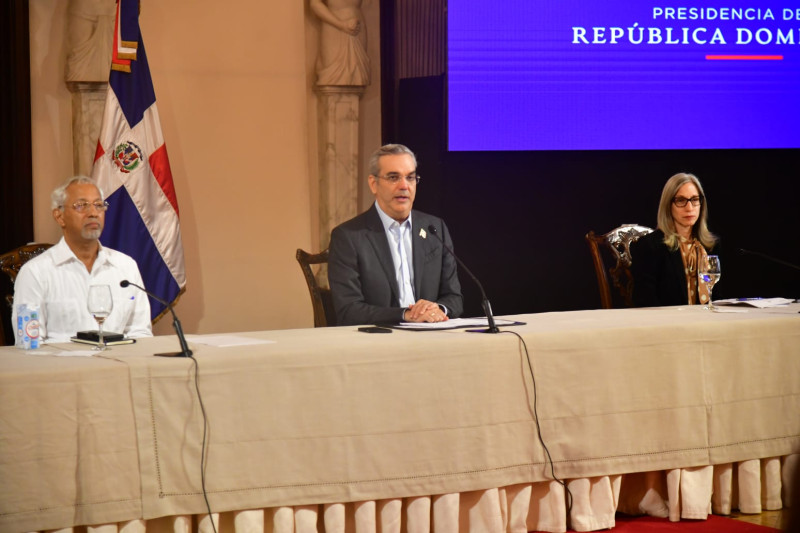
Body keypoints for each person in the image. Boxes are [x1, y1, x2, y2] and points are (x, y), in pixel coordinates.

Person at [328, 144, 463, 326]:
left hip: (431, 336)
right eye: (393, 177)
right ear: (373, 184)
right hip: (377, 341)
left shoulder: (434, 229)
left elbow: (454, 297)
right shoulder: (348, 237)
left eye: (410, 177)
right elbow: (349, 310)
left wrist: (438, 309)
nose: (404, 186)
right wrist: (406, 315)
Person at [11, 176, 152, 342]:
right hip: (62, 367)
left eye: (98, 205)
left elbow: (140, 335)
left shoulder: (126, 267)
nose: (93, 213)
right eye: (81, 206)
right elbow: (28, 343)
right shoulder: (35, 272)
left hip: (118, 365)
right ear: (59, 216)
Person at [631, 172, 720, 307]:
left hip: (708, 324)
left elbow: (721, 299)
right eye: (681, 200)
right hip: (668, 325)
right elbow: (645, 302)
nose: (689, 208)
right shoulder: (649, 247)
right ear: (668, 205)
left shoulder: (710, 246)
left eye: (695, 199)